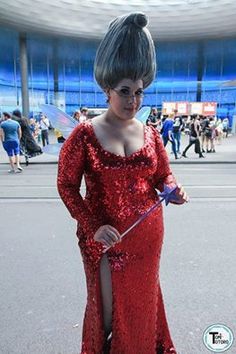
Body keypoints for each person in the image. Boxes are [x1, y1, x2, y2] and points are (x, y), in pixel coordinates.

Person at [57, 12, 188, 353]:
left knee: (142, 304)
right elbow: (66, 185)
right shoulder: (85, 134)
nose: (133, 101)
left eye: (140, 92)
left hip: (148, 235)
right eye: (125, 91)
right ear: (106, 89)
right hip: (104, 238)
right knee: (107, 310)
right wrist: (92, 225)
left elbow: (162, 175)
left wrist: (174, 189)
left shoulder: (152, 134)